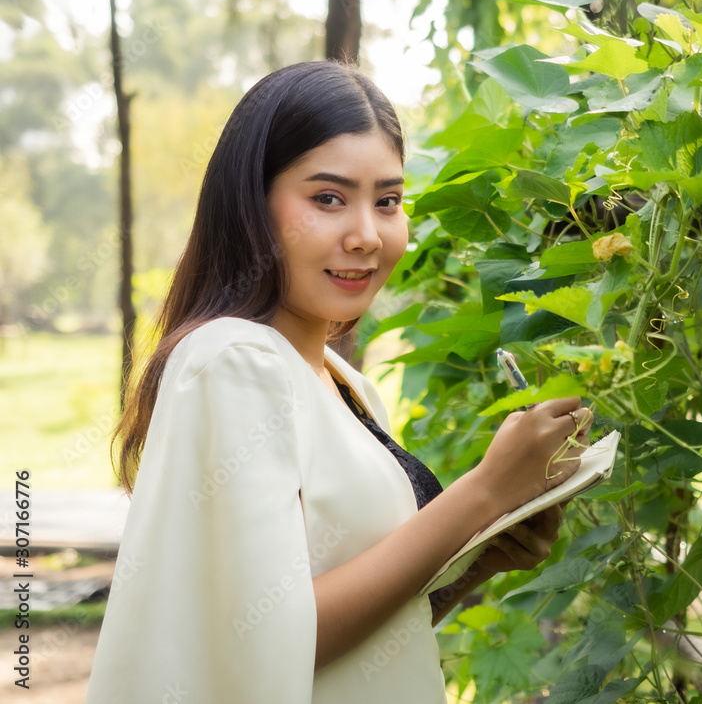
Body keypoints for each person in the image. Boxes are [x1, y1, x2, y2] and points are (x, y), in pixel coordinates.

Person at [85, 60, 592, 704]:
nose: (367, 235)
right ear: (251, 204)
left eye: (388, 201)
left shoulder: (345, 384)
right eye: (327, 198)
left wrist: (481, 558)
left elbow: (362, 638)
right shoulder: (233, 361)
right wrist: (485, 493)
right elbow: (269, 643)